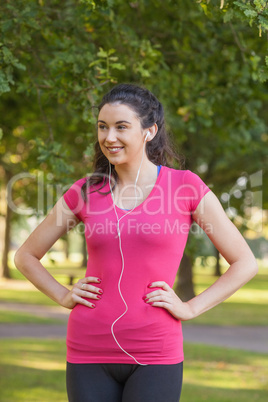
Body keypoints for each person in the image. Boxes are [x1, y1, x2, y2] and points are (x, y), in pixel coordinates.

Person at [14, 83, 258, 402]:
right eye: (103, 127)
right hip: (88, 350)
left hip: (156, 352)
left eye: (121, 127)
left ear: (149, 131)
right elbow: (26, 256)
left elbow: (245, 262)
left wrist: (190, 307)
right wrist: (62, 294)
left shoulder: (184, 186)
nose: (109, 137)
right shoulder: (86, 191)